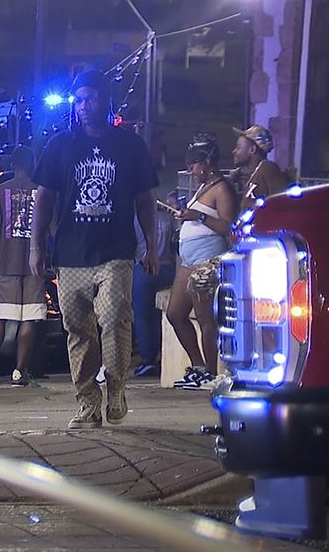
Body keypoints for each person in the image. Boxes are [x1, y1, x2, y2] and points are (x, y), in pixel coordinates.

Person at [29, 68, 159, 430]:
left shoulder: (129, 145)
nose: (84, 106)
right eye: (79, 100)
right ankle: (88, 403)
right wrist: (36, 246)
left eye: (91, 98)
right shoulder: (60, 145)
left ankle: (116, 387)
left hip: (116, 251)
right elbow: (44, 198)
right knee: (78, 329)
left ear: (106, 99)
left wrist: (151, 243)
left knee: (116, 315)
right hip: (71, 254)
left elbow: (145, 198)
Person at [168, 136, 238, 390]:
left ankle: (210, 371)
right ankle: (197, 366)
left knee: (206, 317)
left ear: (207, 162)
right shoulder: (203, 186)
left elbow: (230, 229)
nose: (191, 171)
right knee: (175, 314)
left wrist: (198, 217)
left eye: (194, 165)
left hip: (207, 261)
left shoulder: (222, 188)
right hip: (188, 261)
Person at [0, 146, 44, 388]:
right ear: (33, 162)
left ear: (13, 164)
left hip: (5, 265)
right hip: (35, 266)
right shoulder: (42, 190)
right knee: (29, 319)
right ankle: (19, 371)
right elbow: (52, 230)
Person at [130, 187, 177, 379]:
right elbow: (175, 244)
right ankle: (163, 356)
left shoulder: (135, 219)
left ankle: (148, 360)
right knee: (162, 316)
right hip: (167, 268)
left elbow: (132, 244)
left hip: (144, 267)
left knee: (143, 317)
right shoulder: (168, 220)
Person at [230, 124, 287, 211]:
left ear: (252, 150)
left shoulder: (268, 168)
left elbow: (282, 203)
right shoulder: (255, 173)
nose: (234, 151)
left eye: (238, 147)